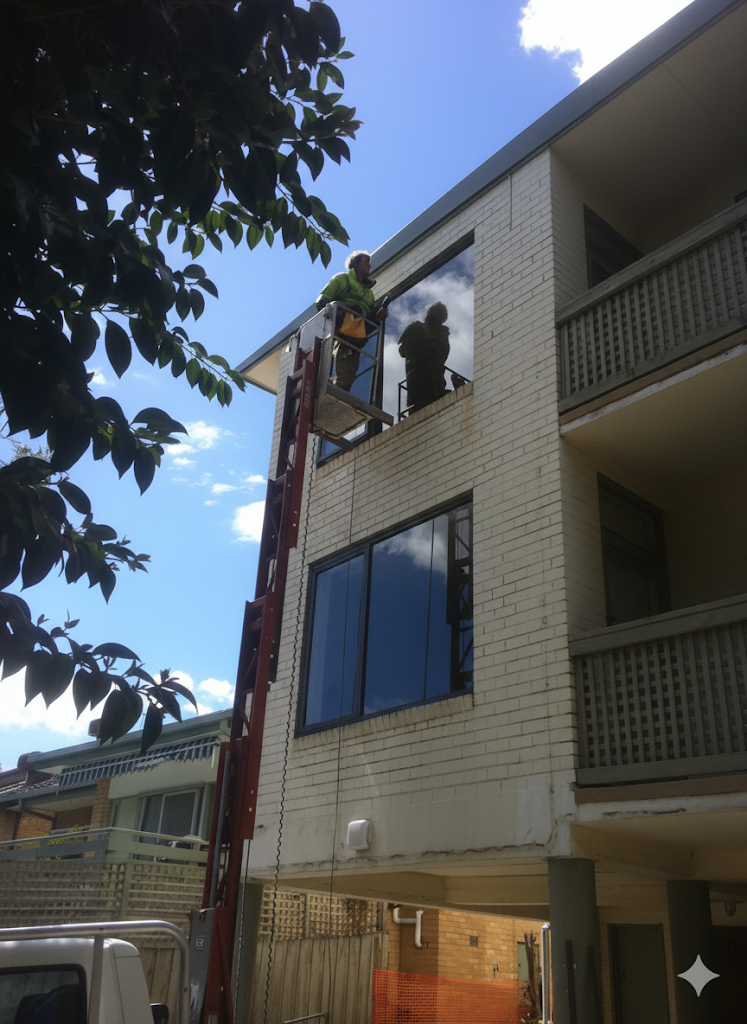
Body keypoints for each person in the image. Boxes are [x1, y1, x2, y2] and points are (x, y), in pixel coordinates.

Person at [316, 251, 388, 392]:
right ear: (355, 263)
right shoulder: (343, 279)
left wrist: (378, 317)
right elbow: (322, 303)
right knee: (339, 370)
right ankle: (331, 394)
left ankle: (338, 395)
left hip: (355, 339)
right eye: (365, 261)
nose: (369, 264)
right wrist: (337, 324)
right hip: (339, 334)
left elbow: (368, 323)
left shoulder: (368, 294)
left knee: (349, 376)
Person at [397, 302, 450, 413]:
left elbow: (442, 354)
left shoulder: (443, 334)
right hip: (419, 377)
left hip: (435, 376)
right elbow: (403, 351)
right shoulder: (417, 328)